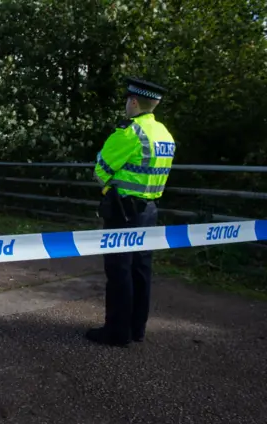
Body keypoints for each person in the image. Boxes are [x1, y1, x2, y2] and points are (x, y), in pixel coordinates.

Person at [88, 77, 176, 347]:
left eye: (128, 100)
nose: (126, 105)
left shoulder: (129, 132)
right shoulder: (164, 134)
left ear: (134, 102)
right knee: (141, 269)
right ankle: (137, 328)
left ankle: (116, 333)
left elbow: (100, 171)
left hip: (123, 212)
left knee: (119, 270)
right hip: (149, 210)